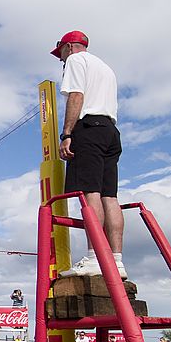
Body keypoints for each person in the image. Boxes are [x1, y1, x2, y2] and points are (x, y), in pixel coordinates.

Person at [53, 30, 127, 280]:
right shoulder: (106, 67)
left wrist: (66, 134)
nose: (61, 59)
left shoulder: (76, 60)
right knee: (110, 196)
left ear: (70, 47)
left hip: (89, 128)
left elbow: (76, 96)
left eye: (61, 52)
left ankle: (95, 257)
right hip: (110, 131)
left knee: (89, 192)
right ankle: (116, 260)